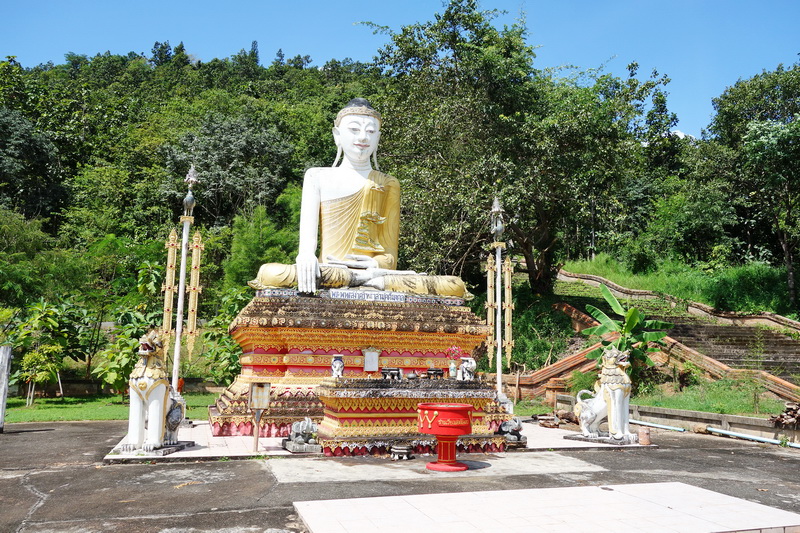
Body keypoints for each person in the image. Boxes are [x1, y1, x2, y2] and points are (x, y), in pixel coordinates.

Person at [249, 99, 468, 298]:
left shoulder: (388, 183)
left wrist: (374, 263)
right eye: (354, 129)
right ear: (337, 135)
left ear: (378, 137)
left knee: (453, 285)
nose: (363, 137)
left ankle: (362, 280)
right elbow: (306, 249)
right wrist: (306, 257)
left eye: (371, 131)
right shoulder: (317, 176)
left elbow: (389, 256)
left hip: (375, 274)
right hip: (331, 272)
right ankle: (363, 282)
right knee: (272, 274)